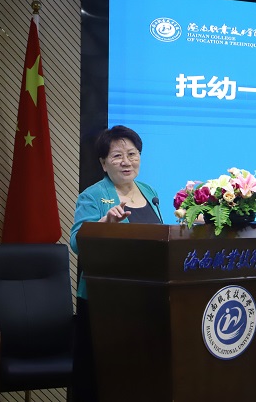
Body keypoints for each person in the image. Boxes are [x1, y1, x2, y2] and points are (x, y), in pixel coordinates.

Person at [69, 125, 162, 402]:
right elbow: (77, 242)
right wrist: (105, 223)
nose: (126, 162)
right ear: (103, 163)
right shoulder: (93, 195)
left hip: (145, 297)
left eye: (132, 154)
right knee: (102, 375)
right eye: (117, 156)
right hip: (104, 300)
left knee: (139, 374)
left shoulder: (149, 191)